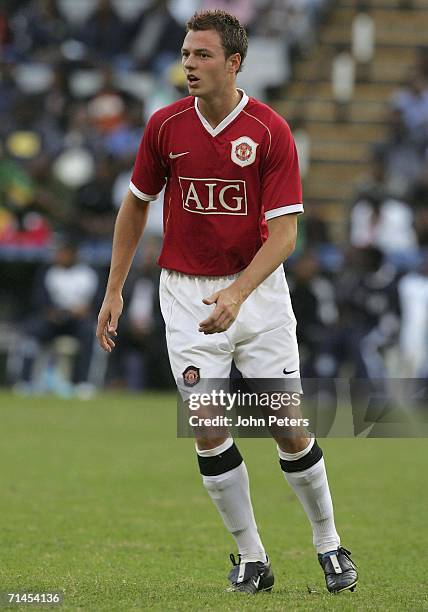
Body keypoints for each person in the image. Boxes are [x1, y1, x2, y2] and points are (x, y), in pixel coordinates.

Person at [96, 9, 357, 595]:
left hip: (256, 291)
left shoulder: (269, 131)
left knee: (287, 428)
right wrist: (113, 290)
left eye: (202, 55)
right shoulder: (165, 126)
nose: (189, 64)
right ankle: (252, 557)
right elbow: (136, 205)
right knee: (208, 426)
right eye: (186, 54)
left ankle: (329, 544)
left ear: (233, 63)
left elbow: (285, 235)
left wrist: (238, 294)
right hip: (186, 296)